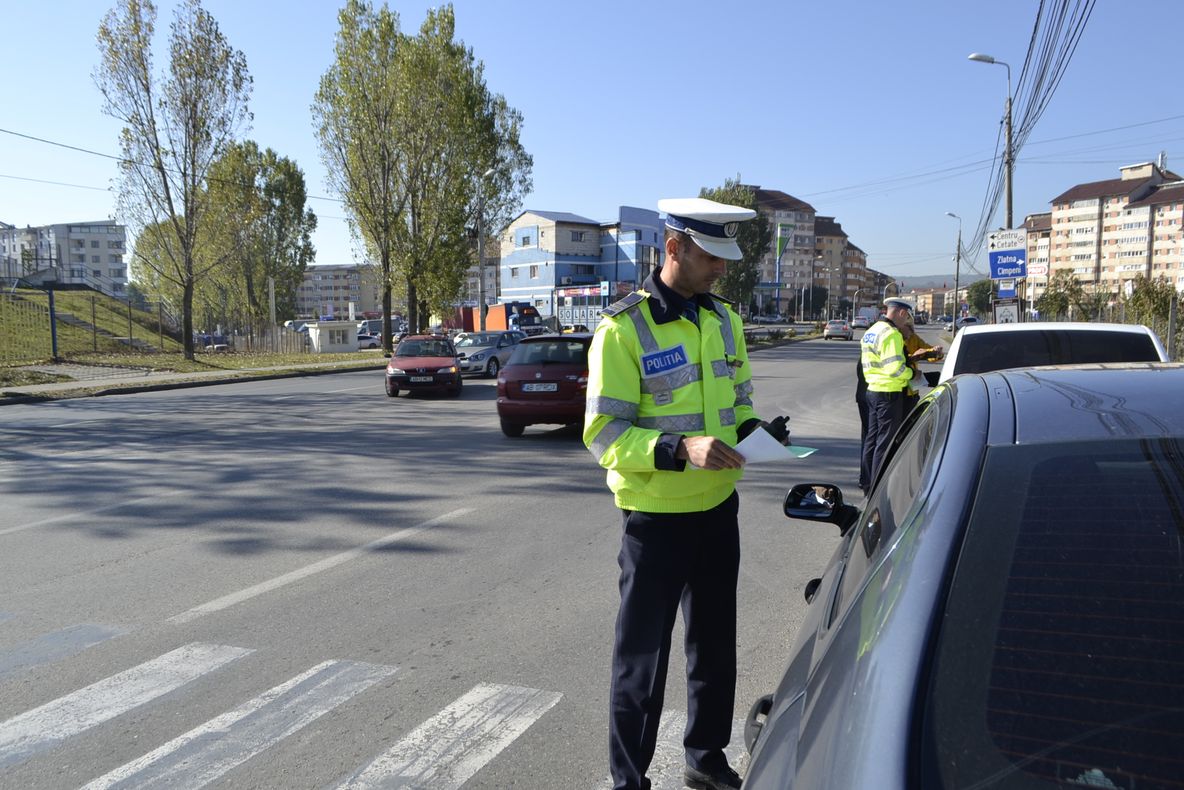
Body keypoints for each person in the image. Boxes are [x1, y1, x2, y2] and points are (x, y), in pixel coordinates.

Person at [584, 197, 790, 790]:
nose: (721, 269)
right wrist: (680, 448)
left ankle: (704, 757)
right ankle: (630, 782)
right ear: (673, 248)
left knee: (714, 649)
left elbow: (738, 404)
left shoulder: (724, 320)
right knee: (641, 663)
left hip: (717, 511)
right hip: (654, 519)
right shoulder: (623, 330)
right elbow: (604, 434)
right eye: (711, 257)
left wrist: (758, 434)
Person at [859, 298, 928, 493]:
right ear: (900, 313)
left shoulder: (871, 331)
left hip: (872, 390)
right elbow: (895, 368)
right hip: (889, 393)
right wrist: (913, 374)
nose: (906, 322)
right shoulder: (891, 334)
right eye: (906, 317)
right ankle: (879, 488)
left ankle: (868, 484)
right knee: (885, 443)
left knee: (872, 441)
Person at [899, 312, 942, 413]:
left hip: (912, 389)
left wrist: (936, 352)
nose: (911, 330)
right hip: (899, 390)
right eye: (908, 327)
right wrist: (914, 357)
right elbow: (898, 360)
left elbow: (927, 350)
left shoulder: (914, 338)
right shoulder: (895, 339)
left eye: (912, 327)